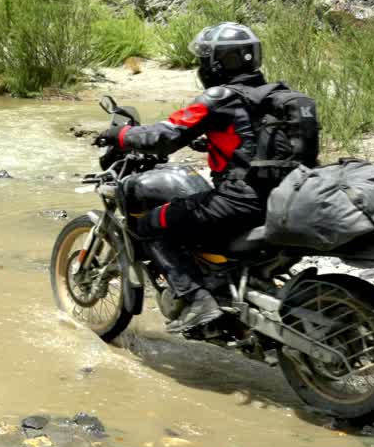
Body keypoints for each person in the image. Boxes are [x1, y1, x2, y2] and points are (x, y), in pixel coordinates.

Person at [95, 23, 291, 334]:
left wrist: (122, 135)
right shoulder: (280, 95)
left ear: (215, 63)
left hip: (240, 202)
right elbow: (254, 140)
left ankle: (196, 299)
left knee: (151, 223)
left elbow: (165, 135)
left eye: (204, 59)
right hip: (288, 198)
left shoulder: (220, 97)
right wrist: (209, 140)